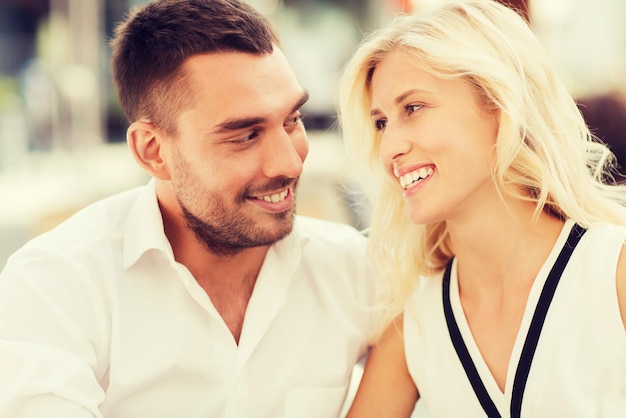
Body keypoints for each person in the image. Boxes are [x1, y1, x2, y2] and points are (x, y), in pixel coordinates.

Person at [0, 1, 377, 417]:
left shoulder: (353, 271)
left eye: (292, 119)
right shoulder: (57, 284)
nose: (289, 162)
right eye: (246, 136)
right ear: (153, 151)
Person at [337, 0, 626, 417]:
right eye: (381, 122)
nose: (390, 148)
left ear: (498, 105)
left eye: (413, 108)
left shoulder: (611, 272)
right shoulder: (416, 317)